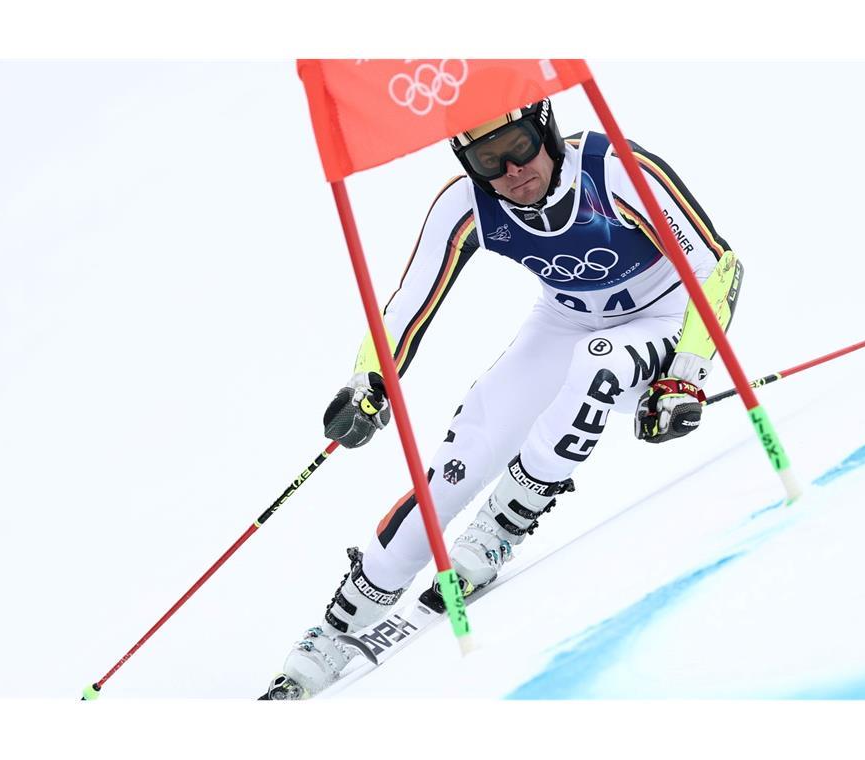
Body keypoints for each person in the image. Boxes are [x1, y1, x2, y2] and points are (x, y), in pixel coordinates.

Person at [262, 98, 742, 699]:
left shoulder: (615, 170)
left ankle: (500, 526)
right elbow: (409, 306)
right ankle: (334, 631)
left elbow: (718, 269)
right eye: (489, 160)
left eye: (518, 147)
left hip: (666, 317)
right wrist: (368, 385)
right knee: (462, 455)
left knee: (599, 364)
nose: (512, 172)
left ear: (546, 131)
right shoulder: (466, 204)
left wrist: (688, 375)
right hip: (565, 321)